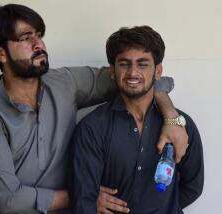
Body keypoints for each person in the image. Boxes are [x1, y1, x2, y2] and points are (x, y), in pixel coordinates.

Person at [0, 4, 188, 214]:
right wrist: (84, 196)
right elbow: (10, 199)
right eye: (25, 38)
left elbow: (137, 81)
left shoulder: (64, 83)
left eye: (39, 35)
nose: (38, 44)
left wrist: (171, 118)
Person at [72, 26, 204, 214]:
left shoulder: (182, 126)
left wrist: (163, 207)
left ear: (158, 71)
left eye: (142, 64)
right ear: (112, 70)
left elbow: (193, 186)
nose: (133, 73)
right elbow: (83, 199)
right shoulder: (92, 127)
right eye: (124, 64)